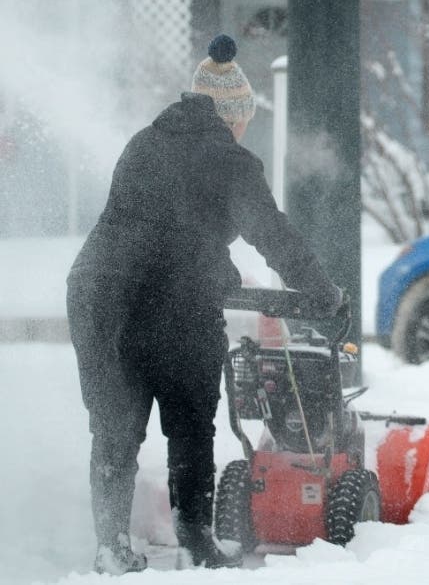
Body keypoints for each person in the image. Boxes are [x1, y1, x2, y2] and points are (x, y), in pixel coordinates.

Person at [67, 34, 344, 574]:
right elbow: (274, 235)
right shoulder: (231, 161)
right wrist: (321, 292)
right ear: (233, 114)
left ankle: (111, 543)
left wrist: (216, 267)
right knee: (191, 421)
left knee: (114, 425)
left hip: (97, 294)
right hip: (168, 299)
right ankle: (195, 539)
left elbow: (159, 225)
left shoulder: (144, 142)